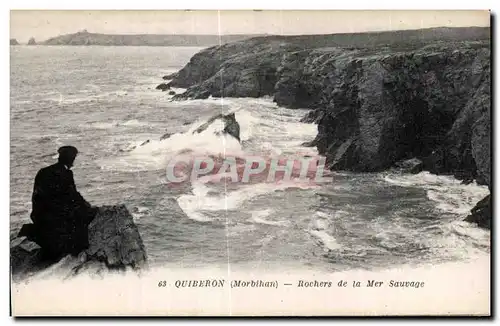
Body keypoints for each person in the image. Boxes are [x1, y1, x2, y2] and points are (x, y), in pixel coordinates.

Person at [19, 146, 98, 262]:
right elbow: (73, 196)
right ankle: (75, 252)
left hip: (39, 215)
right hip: (54, 217)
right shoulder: (66, 174)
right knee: (84, 217)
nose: (73, 161)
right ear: (70, 159)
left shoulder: (43, 171)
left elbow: (38, 197)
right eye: (73, 158)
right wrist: (87, 206)